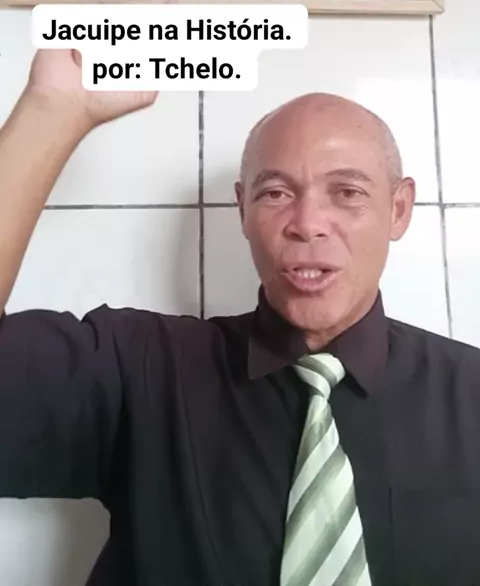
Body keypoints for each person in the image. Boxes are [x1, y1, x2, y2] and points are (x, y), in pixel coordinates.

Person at [1, 47, 480, 586]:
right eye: (275, 193)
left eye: (347, 192)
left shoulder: (471, 394)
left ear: (398, 209)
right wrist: (51, 109)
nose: (307, 223)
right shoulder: (140, 370)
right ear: (243, 209)